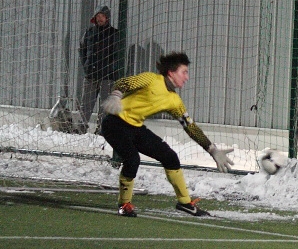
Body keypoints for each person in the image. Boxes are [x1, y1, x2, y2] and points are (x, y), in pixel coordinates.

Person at [99, 52, 234, 217]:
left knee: (170, 157)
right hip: (114, 123)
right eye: (184, 72)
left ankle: (185, 203)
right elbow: (124, 82)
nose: (187, 77)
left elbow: (190, 127)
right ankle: (124, 204)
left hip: (135, 128)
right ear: (171, 72)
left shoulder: (174, 100)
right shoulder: (151, 79)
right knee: (132, 159)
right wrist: (116, 95)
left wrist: (212, 149)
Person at [77, 6, 122, 134]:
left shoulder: (114, 34)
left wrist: (111, 69)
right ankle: (82, 126)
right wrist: (86, 65)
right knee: (86, 103)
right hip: (91, 74)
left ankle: (102, 129)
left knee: (105, 106)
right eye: (98, 16)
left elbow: (118, 54)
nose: (99, 18)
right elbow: (82, 50)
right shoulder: (89, 32)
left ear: (107, 18)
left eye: (102, 16)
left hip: (107, 77)